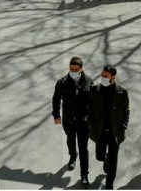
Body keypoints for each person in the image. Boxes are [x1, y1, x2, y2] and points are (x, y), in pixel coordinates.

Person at [52, 57, 93, 186]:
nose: (73, 71)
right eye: (71, 69)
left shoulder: (88, 82)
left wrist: (88, 115)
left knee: (83, 148)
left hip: (83, 122)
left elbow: (92, 102)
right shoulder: (62, 82)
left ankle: (84, 175)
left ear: (81, 69)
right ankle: (72, 156)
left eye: (76, 69)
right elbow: (56, 99)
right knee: (70, 139)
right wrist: (56, 115)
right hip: (68, 119)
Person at [88, 65, 129, 190]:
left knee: (113, 160)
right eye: (102, 75)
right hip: (99, 131)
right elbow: (89, 109)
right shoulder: (94, 90)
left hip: (115, 132)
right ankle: (104, 159)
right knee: (99, 156)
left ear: (113, 77)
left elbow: (126, 111)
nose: (103, 77)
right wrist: (90, 125)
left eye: (106, 76)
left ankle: (110, 183)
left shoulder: (122, 92)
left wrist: (123, 127)